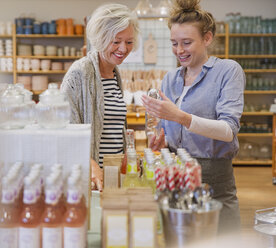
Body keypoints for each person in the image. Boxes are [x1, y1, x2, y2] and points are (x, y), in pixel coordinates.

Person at [142, 0, 244, 233]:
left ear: (207, 38)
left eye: (187, 43)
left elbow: (228, 131)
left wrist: (181, 117)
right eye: (174, 43)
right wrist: (161, 141)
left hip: (214, 176)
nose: (179, 51)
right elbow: (167, 128)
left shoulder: (227, 71)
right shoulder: (170, 78)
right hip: (175, 173)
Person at [61, 3, 139, 191]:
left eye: (129, 42)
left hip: (113, 173)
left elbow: (114, 126)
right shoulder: (80, 73)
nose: (123, 48)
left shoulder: (114, 74)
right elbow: (65, 128)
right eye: (116, 41)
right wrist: (90, 164)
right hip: (91, 176)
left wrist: (127, 152)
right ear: (101, 38)